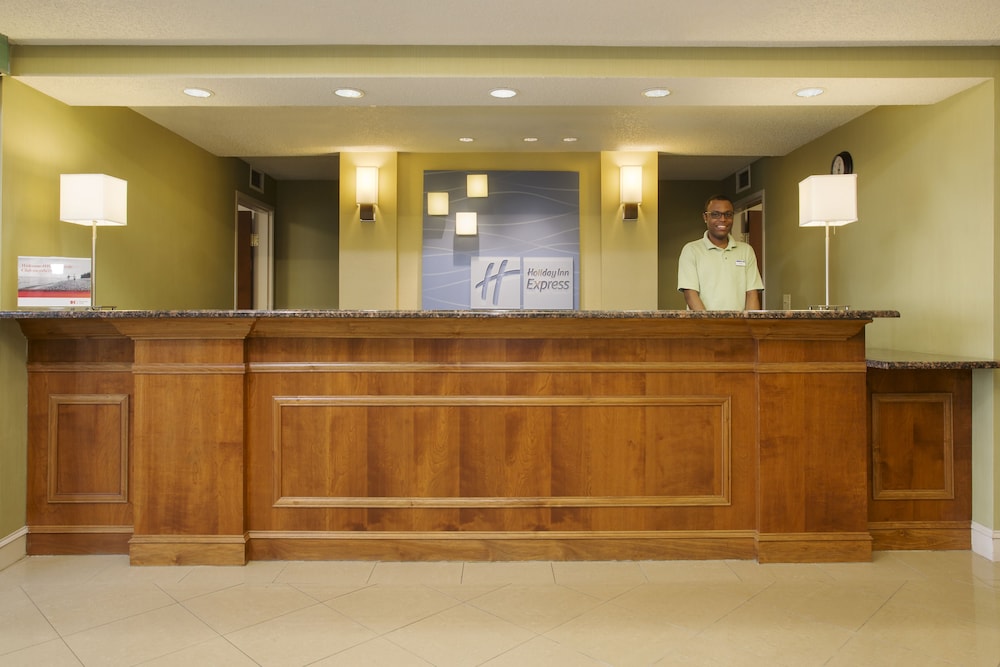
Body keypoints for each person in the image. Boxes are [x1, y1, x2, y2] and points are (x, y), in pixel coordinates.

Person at [677, 194, 763, 310]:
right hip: (702, 321)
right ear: (705, 217)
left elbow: (752, 294)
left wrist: (749, 322)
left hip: (739, 322)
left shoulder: (746, 251)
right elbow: (690, 294)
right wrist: (709, 322)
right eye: (715, 214)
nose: (722, 219)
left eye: (728, 214)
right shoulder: (691, 250)